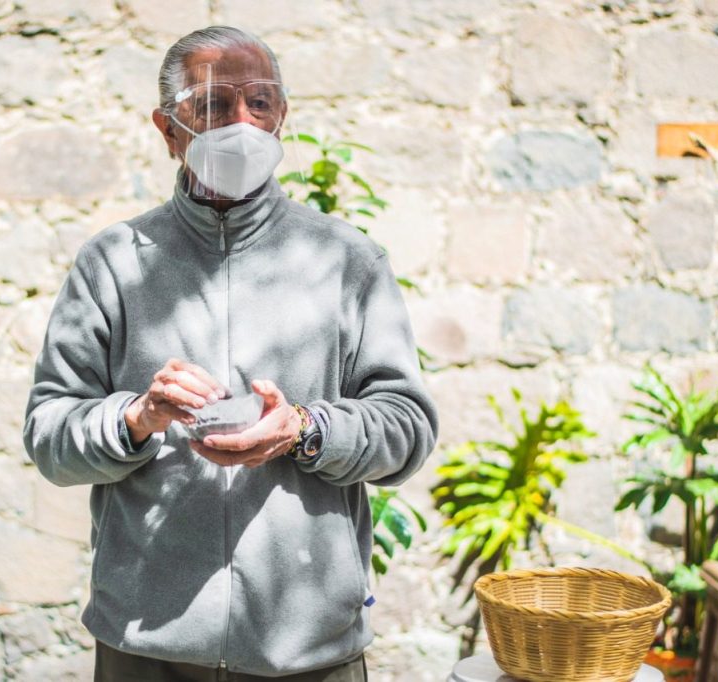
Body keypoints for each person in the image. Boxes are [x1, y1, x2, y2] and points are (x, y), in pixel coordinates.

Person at [22, 25, 438, 682]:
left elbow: (406, 429)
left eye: (259, 103)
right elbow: (50, 435)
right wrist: (136, 419)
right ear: (168, 131)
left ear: (281, 118)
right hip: (146, 648)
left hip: (309, 651)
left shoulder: (346, 260)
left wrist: (304, 429)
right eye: (214, 105)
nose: (242, 123)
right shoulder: (112, 264)